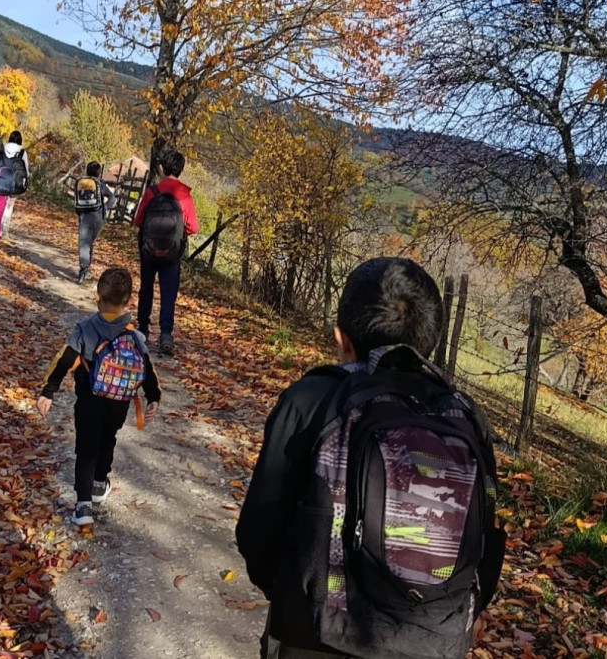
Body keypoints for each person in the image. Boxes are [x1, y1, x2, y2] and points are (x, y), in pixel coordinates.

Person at [236, 257, 506, 659]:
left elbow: (258, 534)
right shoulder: (464, 417)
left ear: (340, 337)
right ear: (430, 340)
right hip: (431, 643)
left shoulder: (309, 401)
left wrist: (297, 593)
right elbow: (483, 549)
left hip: (315, 634)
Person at [37, 267, 162, 527]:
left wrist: (48, 391)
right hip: (118, 404)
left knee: (86, 449)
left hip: (89, 402)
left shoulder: (85, 329)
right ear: (128, 301)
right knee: (108, 440)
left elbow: (65, 361)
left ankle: (83, 506)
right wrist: (154, 397)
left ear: (98, 296)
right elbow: (147, 370)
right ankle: (98, 483)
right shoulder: (135, 337)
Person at [134, 150, 199, 355]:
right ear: (180, 169)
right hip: (172, 253)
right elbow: (193, 227)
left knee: (146, 289)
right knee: (168, 294)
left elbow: (138, 221)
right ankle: (165, 335)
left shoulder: (152, 191)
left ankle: (142, 331)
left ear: (162, 168)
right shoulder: (184, 195)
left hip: (149, 250)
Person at [74, 161, 116, 283]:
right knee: (89, 243)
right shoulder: (100, 184)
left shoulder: (81, 183)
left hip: (84, 217)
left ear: (87, 171)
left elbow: (77, 200)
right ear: (99, 173)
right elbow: (112, 198)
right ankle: (86, 270)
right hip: (99, 217)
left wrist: (80, 213)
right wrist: (106, 207)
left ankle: (83, 271)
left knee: (84, 244)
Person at [2, 130, 30, 241]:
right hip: (15, 183)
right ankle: (5, 230)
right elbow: (26, 170)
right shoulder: (22, 151)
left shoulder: (3, 147)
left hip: (2, 180)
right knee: (9, 206)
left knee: (2, 204)